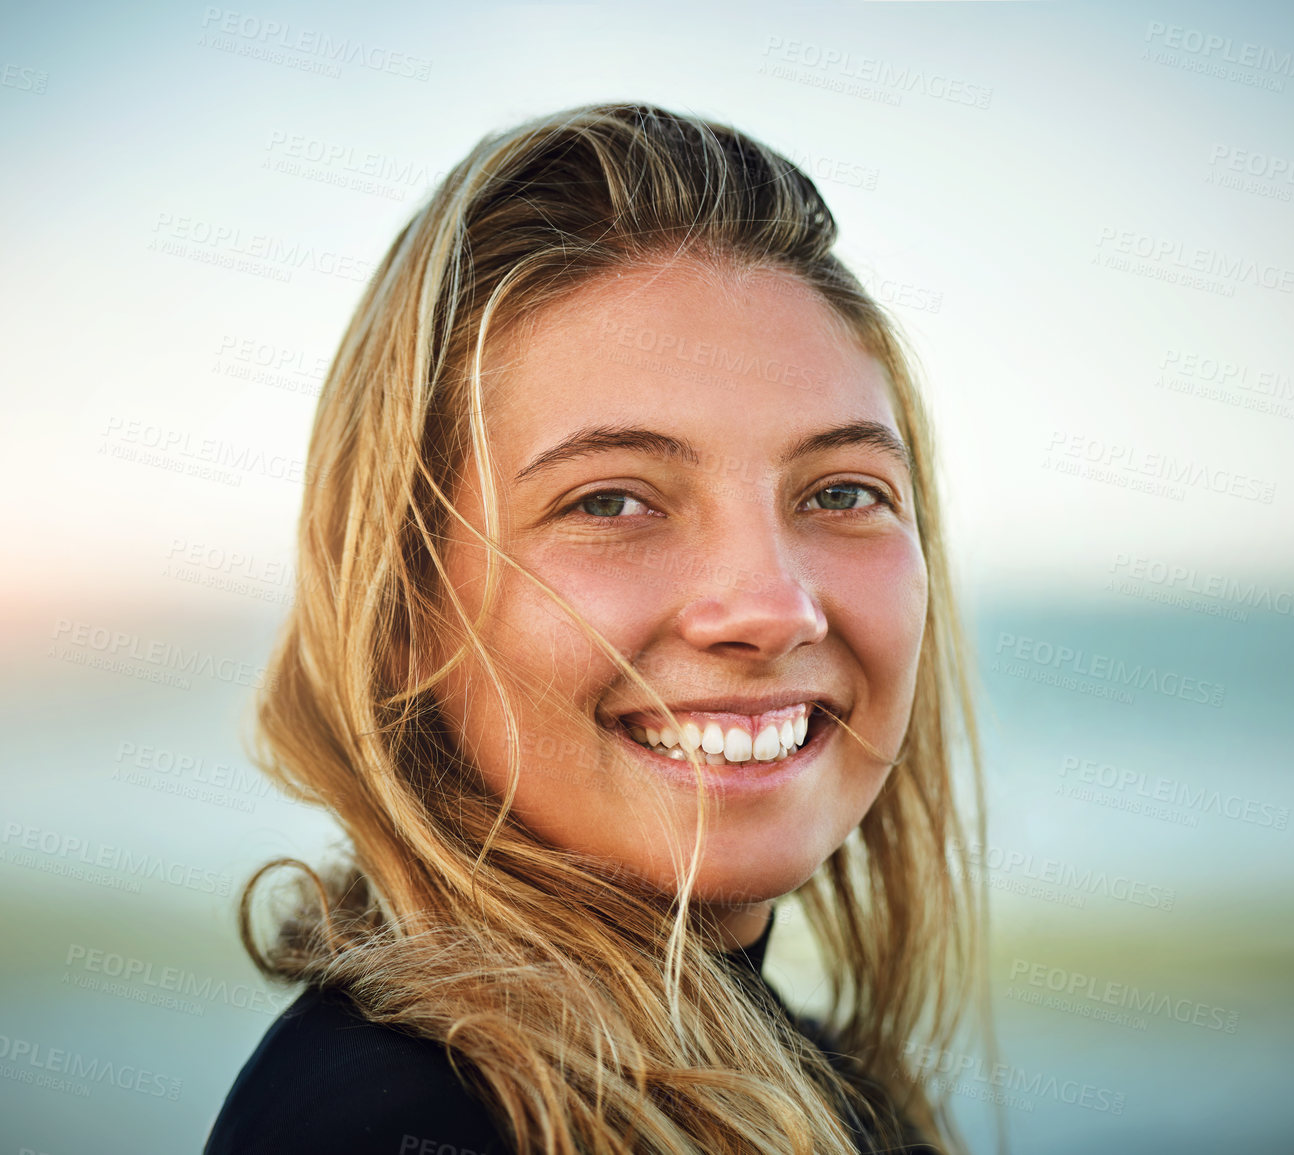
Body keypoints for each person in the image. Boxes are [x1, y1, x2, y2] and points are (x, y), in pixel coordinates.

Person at [205, 102, 987, 1155]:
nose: (771, 606)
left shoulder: (828, 1087)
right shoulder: (391, 1123)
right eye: (611, 502)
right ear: (400, 609)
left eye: (842, 492)